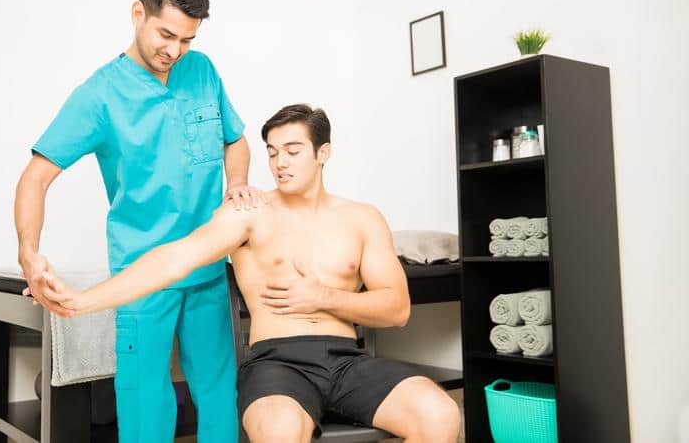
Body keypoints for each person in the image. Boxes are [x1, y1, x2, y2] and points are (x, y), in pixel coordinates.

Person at [33, 104, 462, 443]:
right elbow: (175, 259)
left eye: (292, 151)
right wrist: (82, 301)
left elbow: (397, 309)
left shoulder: (363, 218)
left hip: (347, 361)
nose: (279, 163)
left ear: (323, 153)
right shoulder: (249, 212)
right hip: (278, 364)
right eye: (272, 152)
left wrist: (324, 297)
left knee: (441, 415)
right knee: (279, 433)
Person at [14, 0, 257, 443]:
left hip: (208, 267)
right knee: (145, 403)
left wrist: (238, 183)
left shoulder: (202, 70)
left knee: (219, 395)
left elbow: (236, 140)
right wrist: (29, 251)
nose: (175, 50)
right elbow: (35, 177)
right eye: (166, 34)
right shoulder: (99, 95)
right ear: (137, 13)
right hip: (141, 275)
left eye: (186, 39)